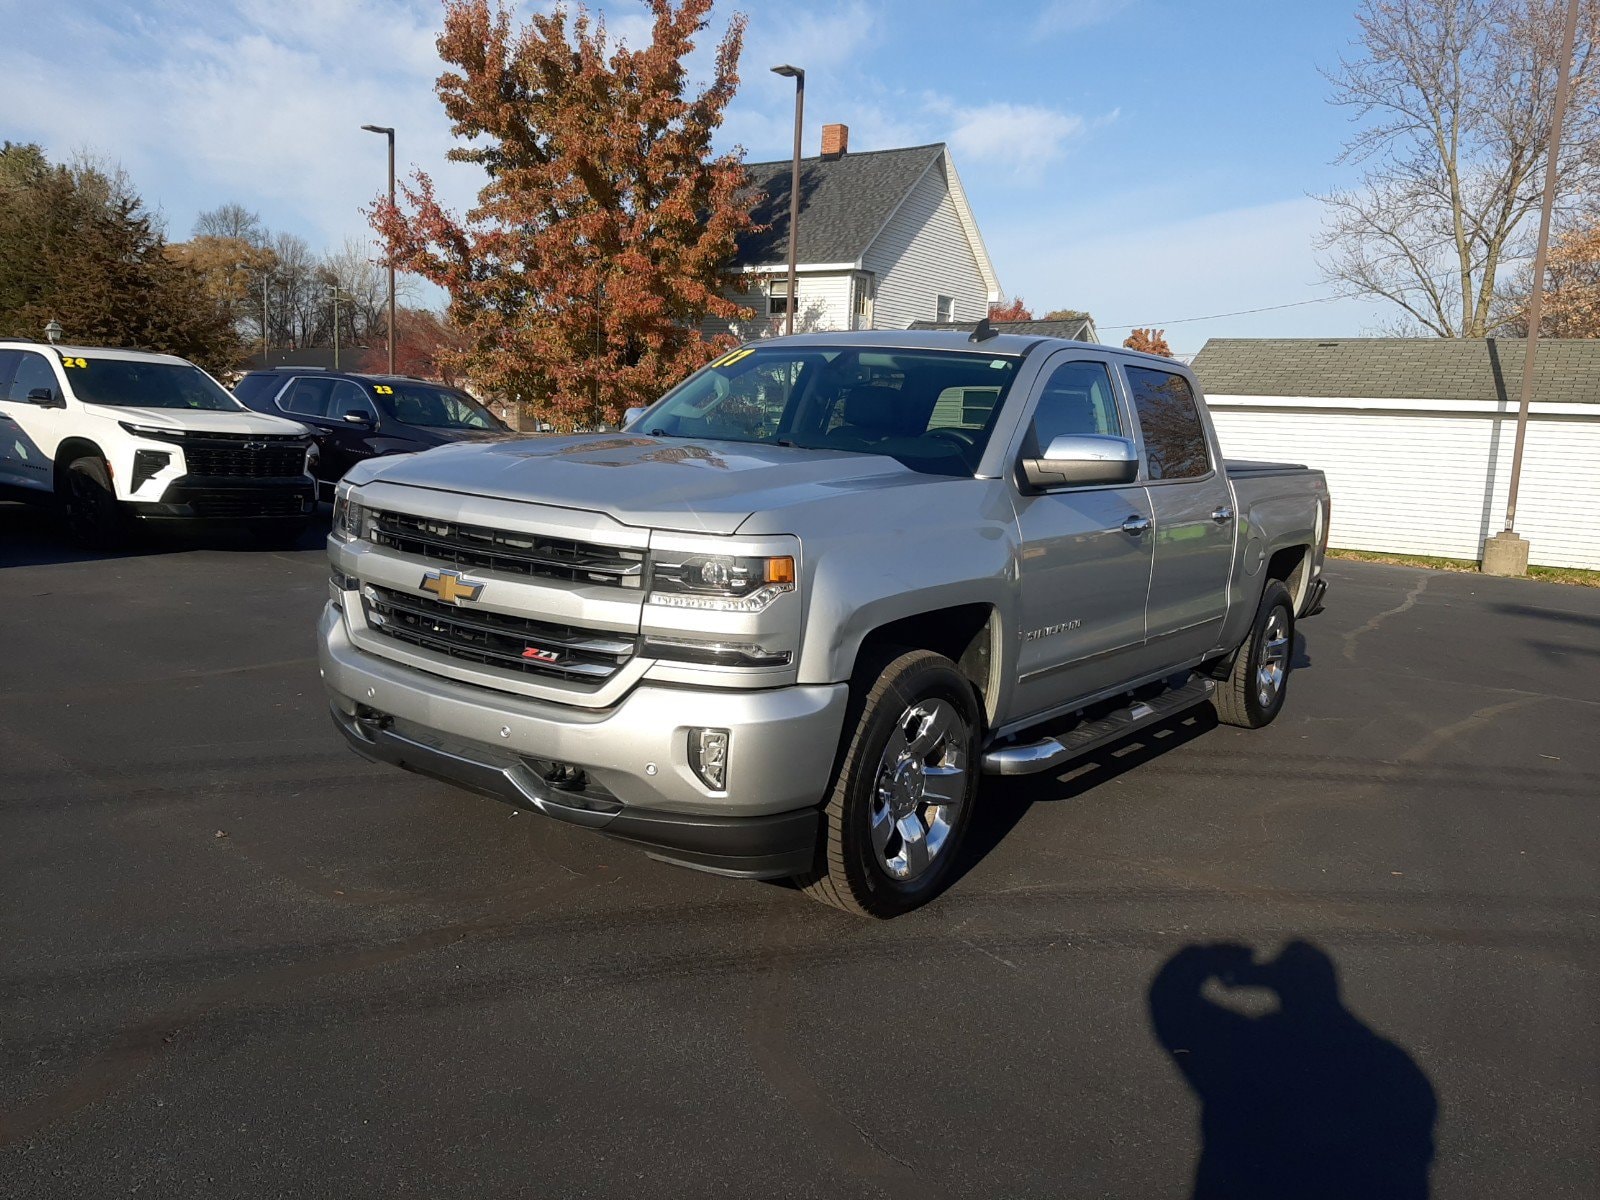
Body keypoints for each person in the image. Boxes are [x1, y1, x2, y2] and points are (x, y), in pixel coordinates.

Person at [1148, 940, 1436, 1199]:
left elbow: (1170, 998)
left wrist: (1208, 960)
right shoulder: (1394, 1071)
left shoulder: (1248, 1052)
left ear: (1279, 989)